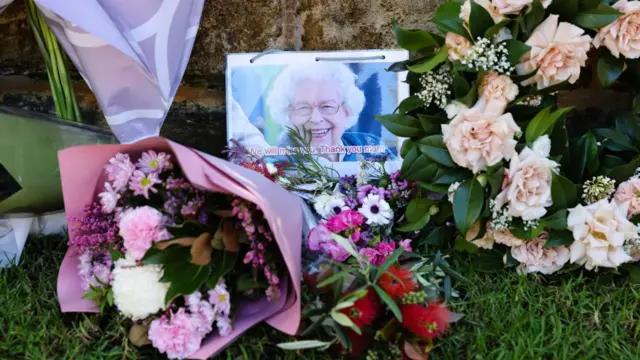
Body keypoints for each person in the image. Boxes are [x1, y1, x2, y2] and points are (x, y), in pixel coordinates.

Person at [266, 62, 394, 162]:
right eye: (303, 107)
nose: (316, 119)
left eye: (327, 106)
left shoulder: (372, 149)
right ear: (289, 114)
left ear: (346, 110)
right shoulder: (274, 164)